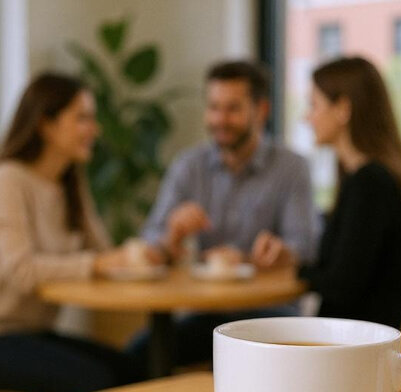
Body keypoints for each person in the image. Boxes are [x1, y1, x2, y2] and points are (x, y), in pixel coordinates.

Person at [0, 73, 144, 392]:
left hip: (30, 334)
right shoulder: (6, 180)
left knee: (135, 371)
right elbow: (23, 272)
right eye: (82, 118)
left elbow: (105, 254)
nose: (95, 129)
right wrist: (97, 264)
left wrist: (152, 252)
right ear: (45, 125)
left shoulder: (69, 183)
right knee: (95, 381)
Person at [137, 59, 319, 365]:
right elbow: (149, 242)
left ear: (261, 110)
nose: (220, 119)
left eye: (232, 109)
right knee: (140, 360)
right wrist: (172, 237)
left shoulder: (291, 168)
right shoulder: (189, 166)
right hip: (205, 314)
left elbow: (307, 247)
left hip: (270, 315)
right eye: (213, 107)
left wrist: (266, 256)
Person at [295, 56, 401, 329]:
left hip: (357, 347)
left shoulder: (369, 184)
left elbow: (341, 285)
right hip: (367, 340)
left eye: (313, 105)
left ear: (343, 108)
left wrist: (294, 271)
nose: (306, 117)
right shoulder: (375, 177)